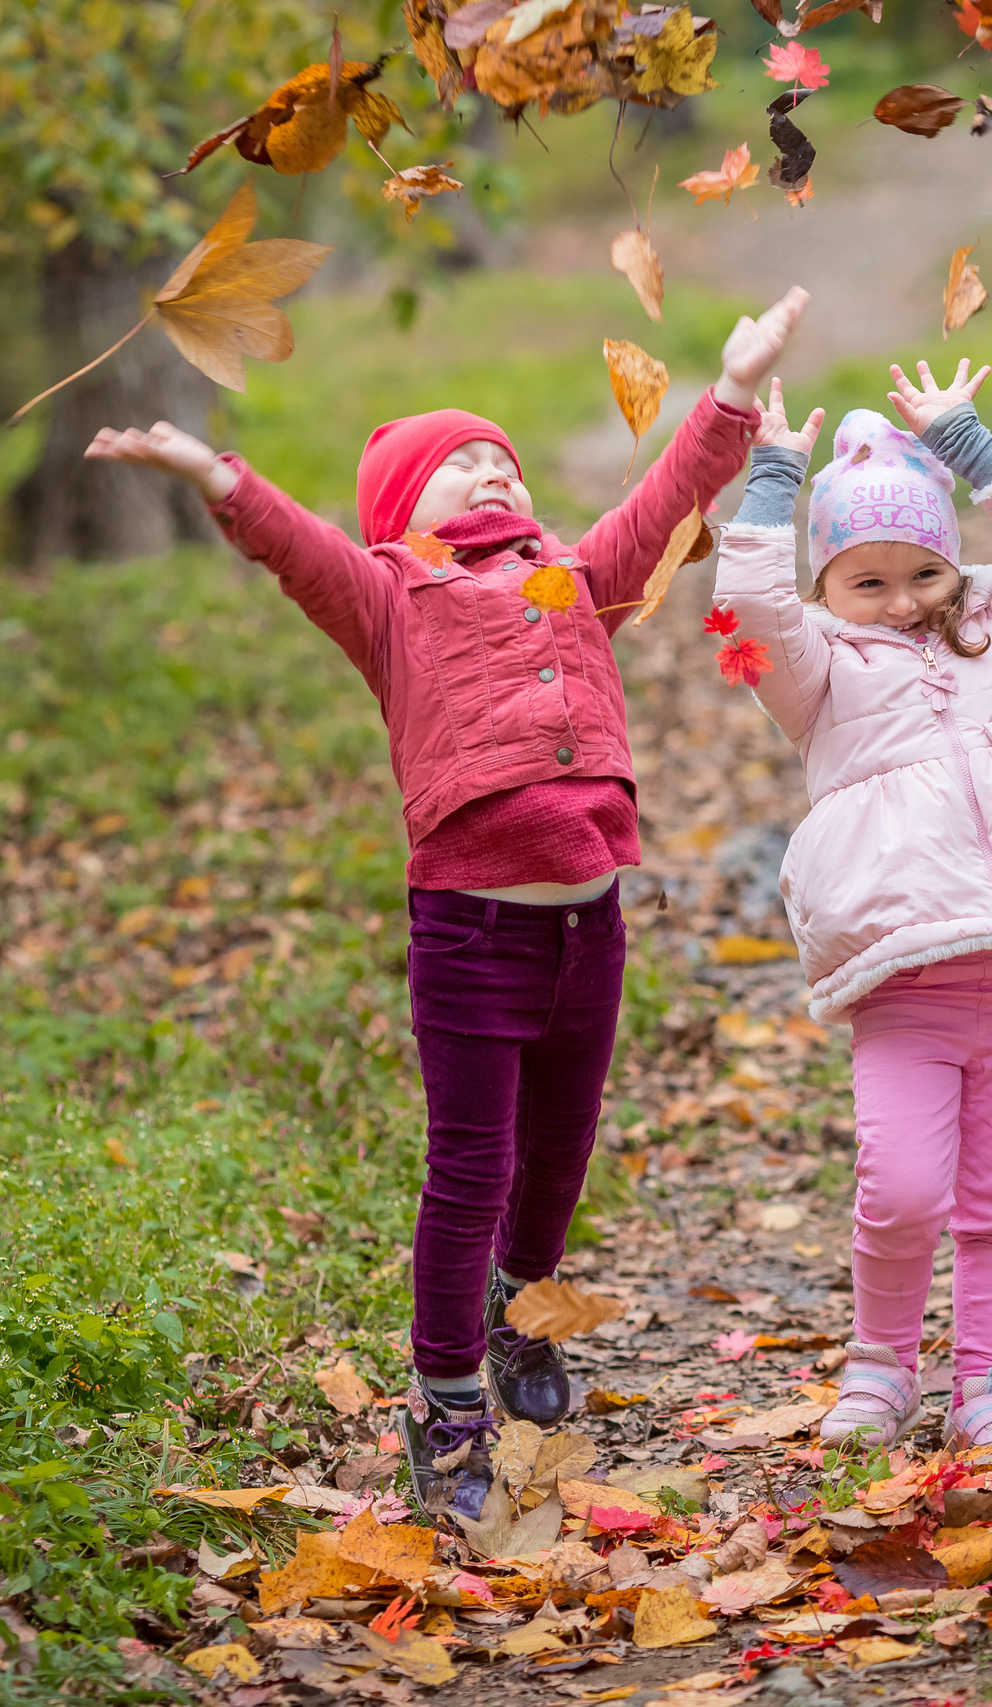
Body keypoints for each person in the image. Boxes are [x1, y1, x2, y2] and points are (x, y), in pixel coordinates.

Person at [82, 288, 813, 1517]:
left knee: (562, 1151)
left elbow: (662, 507)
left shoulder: (576, 580)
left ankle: (522, 1313)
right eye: (457, 467)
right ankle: (446, 1398)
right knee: (470, 1165)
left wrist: (733, 391)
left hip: (592, 923)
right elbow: (296, 549)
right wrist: (212, 471)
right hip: (473, 930)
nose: (490, 476)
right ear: (396, 514)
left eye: (501, 465)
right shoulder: (388, 602)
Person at [710, 359, 992, 1451]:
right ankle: (879, 1367)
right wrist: (773, 476)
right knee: (899, 1191)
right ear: (827, 589)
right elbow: (745, 600)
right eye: (869, 581)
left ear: (954, 565)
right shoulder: (812, 674)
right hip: (905, 979)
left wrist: (967, 440)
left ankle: (985, 1379)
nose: (903, 604)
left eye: (924, 574)